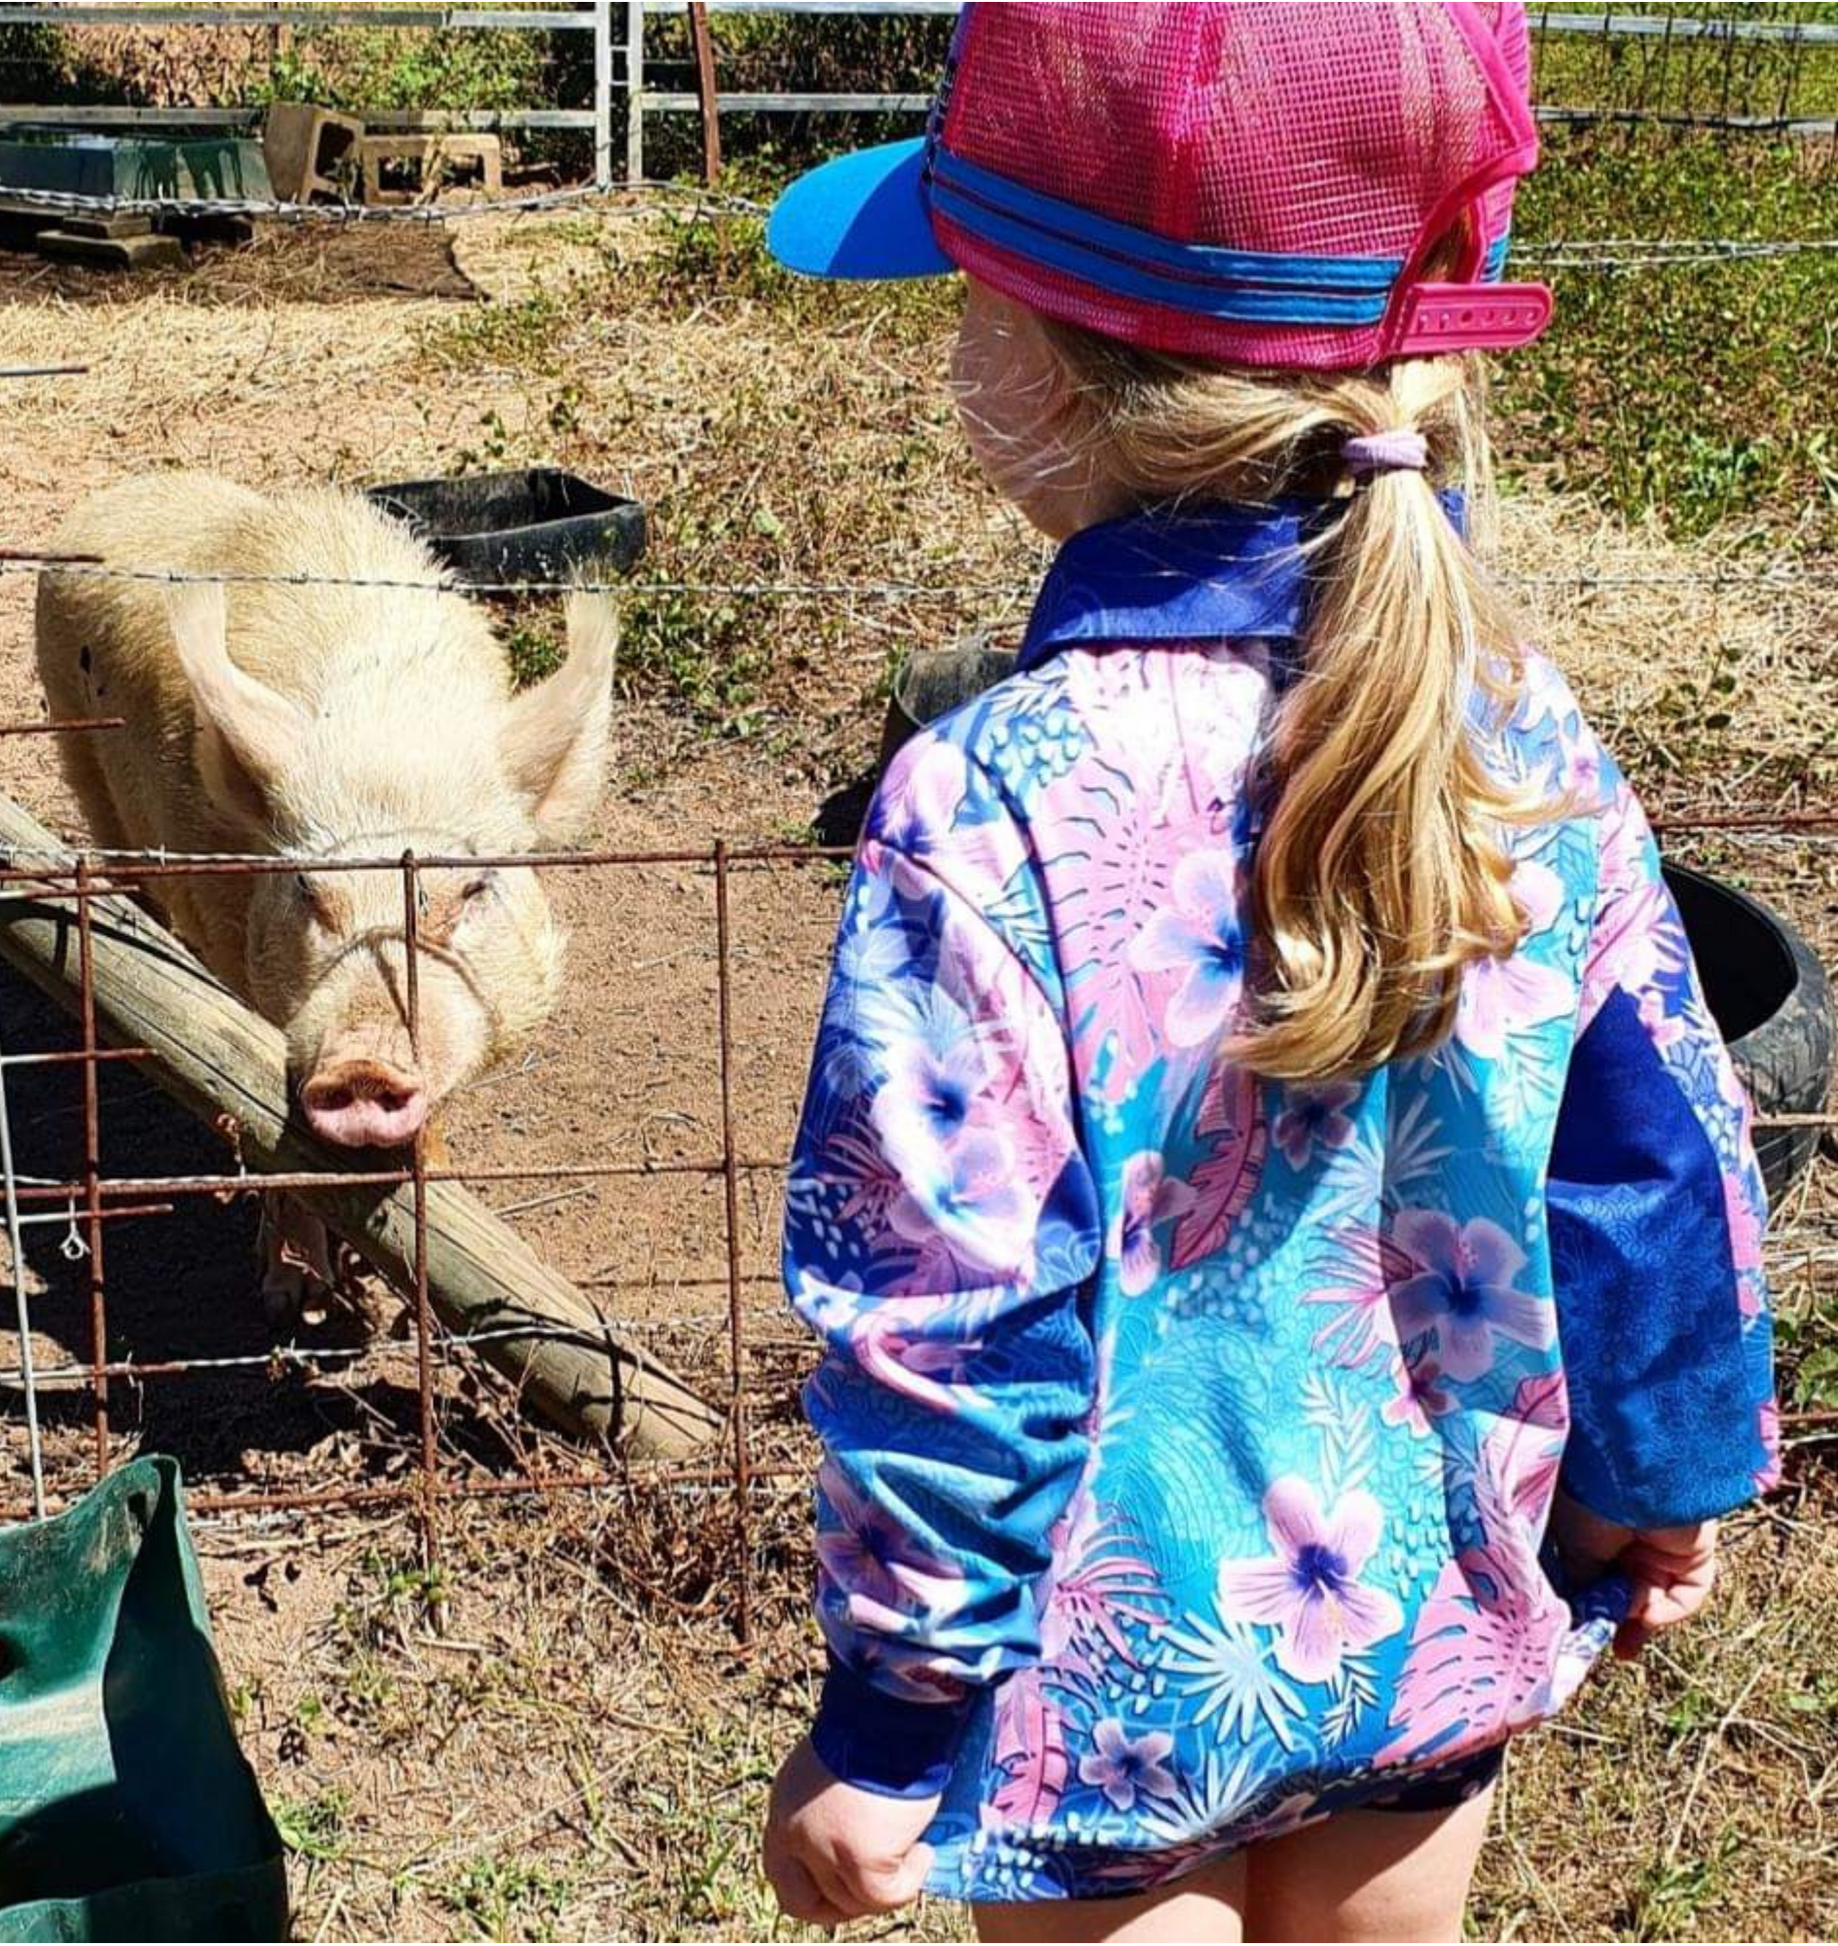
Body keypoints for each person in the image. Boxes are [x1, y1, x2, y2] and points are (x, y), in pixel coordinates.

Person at [758, 6, 1779, 1941]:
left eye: (962, 299)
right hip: (1428, 1640)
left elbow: (955, 1315)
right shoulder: (1518, 724)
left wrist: (888, 1718)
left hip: (1102, 1697)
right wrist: (1657, 1473)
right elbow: (1658, 1154)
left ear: (1046, 373)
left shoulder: (989, 795)